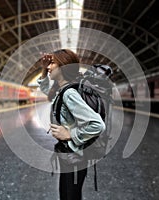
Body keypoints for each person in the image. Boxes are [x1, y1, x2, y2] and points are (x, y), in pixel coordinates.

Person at [37, 49, 106, 200]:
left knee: (70, 197)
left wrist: (70, 134)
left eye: (53, 63)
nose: (49, 67)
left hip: (75, 158)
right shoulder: (63, 89)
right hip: (69, 156)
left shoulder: (69, 93)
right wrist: (43, 69)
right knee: (67, 195)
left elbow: (97, 124)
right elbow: (46, 89)